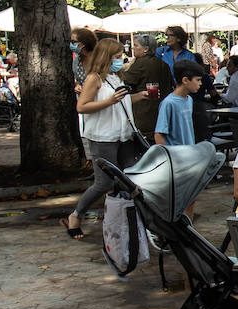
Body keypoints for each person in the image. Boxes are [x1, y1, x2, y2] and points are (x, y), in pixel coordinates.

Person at [63, 38, 138, 239]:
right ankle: (76, 215)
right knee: (104, 182)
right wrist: (109, 101)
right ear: (106, 58)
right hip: (103, 136)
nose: (120, 60)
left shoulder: (115, 77)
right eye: (117, 57)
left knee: (130, 177)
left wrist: (141, 96)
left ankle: (120, 217)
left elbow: (121, 101)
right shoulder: (94, 79)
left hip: (123, 135)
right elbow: (82, 107)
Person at [120, 34, 173, 137]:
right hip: (160, 110)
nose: (133, 48)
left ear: (145, 49)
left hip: (143, 112)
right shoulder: (163, 64)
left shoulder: (141, 63)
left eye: (136, 45)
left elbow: (125, 81)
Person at [155, 60, 204, 147]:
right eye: (198, 80)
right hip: (176, 156)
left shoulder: (189, 100)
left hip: (189, 153)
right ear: (185, 80)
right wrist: (169, 156)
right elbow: (159, 135)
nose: (200, 83)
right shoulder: (168, 103)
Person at [71, 27, 97, 91]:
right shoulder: (76, 62)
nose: (71, 44)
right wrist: (77, 85)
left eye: (73, 42)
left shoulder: (98, 58)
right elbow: (78, 81)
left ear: (84, 43)